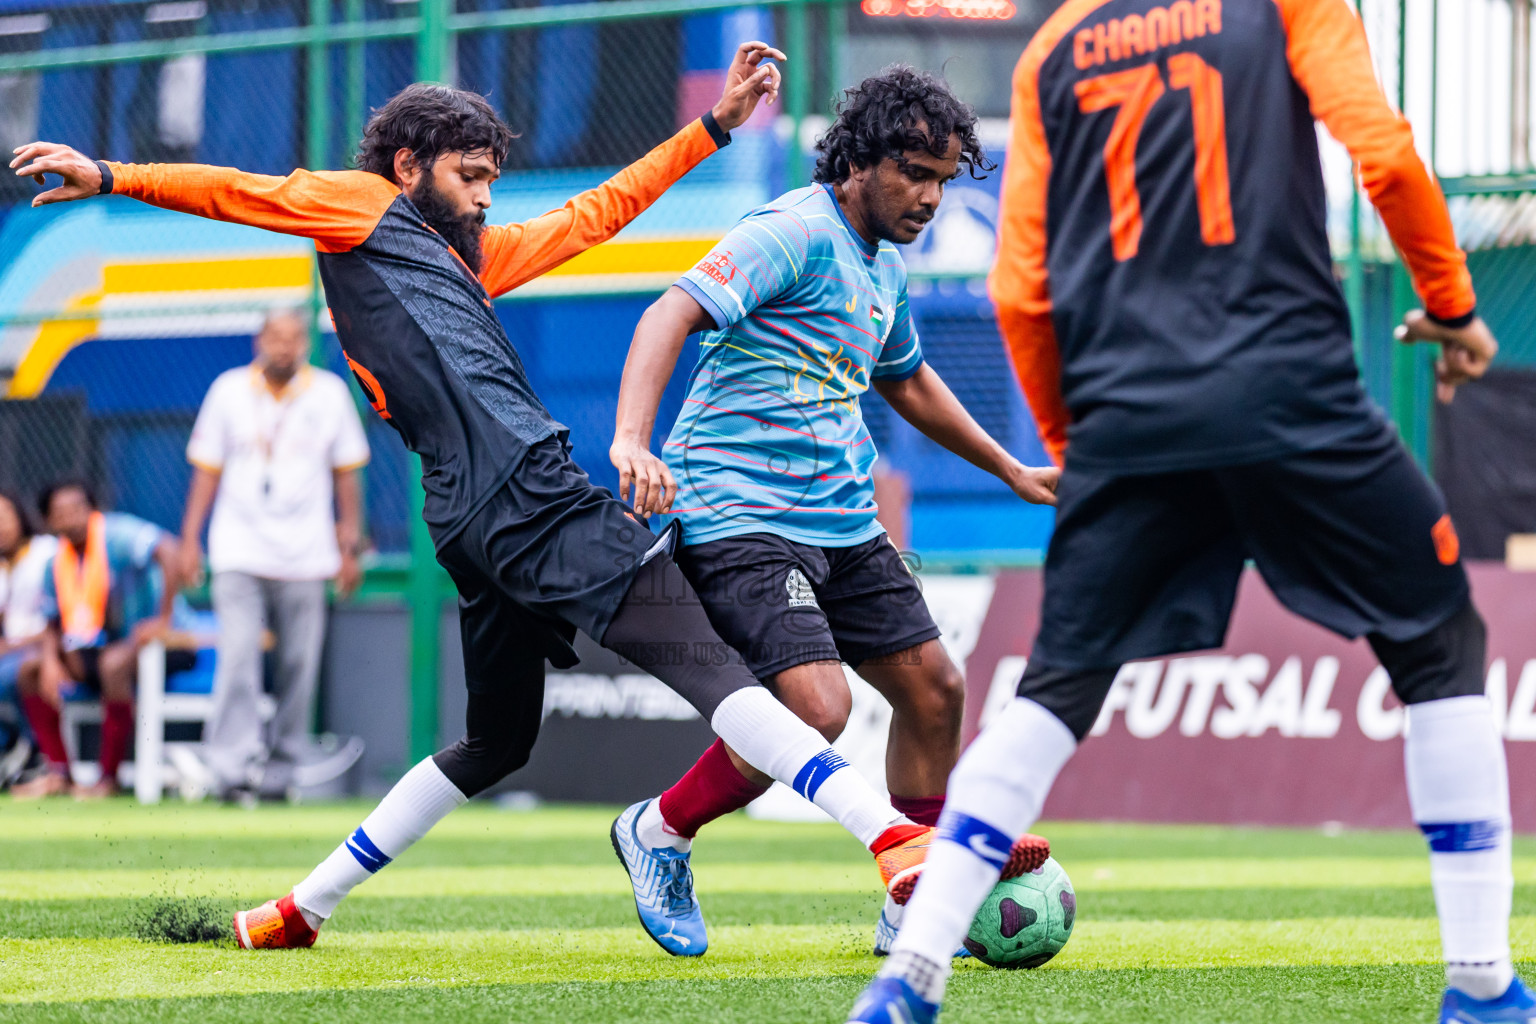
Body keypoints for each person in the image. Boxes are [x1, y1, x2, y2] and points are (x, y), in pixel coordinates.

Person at [10, 46, 1038, 949]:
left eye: (494, 177)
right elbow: (241, 189)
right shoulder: (361, 205)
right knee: (729, 676)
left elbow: (596, 214)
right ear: (409, 167)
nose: (488, 197)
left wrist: (713, 131)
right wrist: (109, 172)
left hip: (466, 520)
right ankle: (896, 841)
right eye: (469, 175)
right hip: (534, 493)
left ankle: (301, 906)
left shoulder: (475, 256)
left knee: (495, 742)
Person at [848, 0, 1517, 1020]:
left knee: (1050, 695)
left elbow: (1020, 290)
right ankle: (1481, 984)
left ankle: (910, 979)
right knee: (1440, 644)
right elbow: (1380, 153)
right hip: (1292, 395)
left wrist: (1085, 454)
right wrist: (1456, 306)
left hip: (1128, 423)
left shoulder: (1052, 46)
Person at [607, 64, 1057, 959]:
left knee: (934, 691)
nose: (929, 196)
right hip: (735, 508)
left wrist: (1011, 468)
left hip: (841, 521)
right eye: (914, 173)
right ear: (858, 161)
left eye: (941, 178)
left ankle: (912, 905)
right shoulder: (793, 231)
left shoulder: (881, 263)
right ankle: (659, 829)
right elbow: (670, 312)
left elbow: (910, 380)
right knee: (816, 707)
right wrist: (631, 439)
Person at [175, 307, 370, 799]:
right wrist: (189, 539)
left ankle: (281, 774)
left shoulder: (328, 393)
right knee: (238, 656)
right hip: (237, 548)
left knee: (299, 666)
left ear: (305, 342)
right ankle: (229, 771)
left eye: (294, 338)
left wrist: (349, 542)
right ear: (258, 339)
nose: (285, 347)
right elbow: (206, 471)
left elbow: (346, 472)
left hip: (307, 553)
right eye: (276, 338)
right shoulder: (227, 390)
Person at [12, 482, 184, 799]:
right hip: (100, 648)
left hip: (165, 645)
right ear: (49, 521)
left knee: (113, 664)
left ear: (92, 509)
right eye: (60, 513)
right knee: (30, 671)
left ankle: (109, 778)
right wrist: (50, 662)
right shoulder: (56, 563)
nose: (71, 518)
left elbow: (170, 551)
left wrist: (164, 617)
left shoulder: (118, 535)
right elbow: (53, 622)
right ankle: (59, 773)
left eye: (77, 508)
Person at [0, 490, 57, 786]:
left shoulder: (46, 552)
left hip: (49, 648)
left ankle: (34, 751)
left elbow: (59, 619)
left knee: (13, 673)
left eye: (5, 515)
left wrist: (12, 645)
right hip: (11, 651)